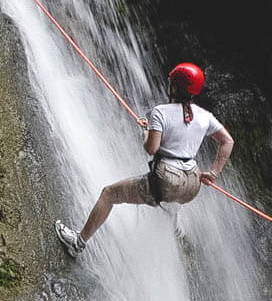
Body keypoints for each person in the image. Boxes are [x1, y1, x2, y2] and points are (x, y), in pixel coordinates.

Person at [56, 62, 234, 257]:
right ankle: (175, 229)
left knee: (109, 194)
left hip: (167, 179)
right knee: (174, 197)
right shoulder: (205, 116)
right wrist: (214, 172)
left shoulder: (161, 112)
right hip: (192, 184)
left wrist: (146, 132)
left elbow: (151, 148)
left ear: (173, 86)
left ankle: (77, 243)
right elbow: (227, 141)